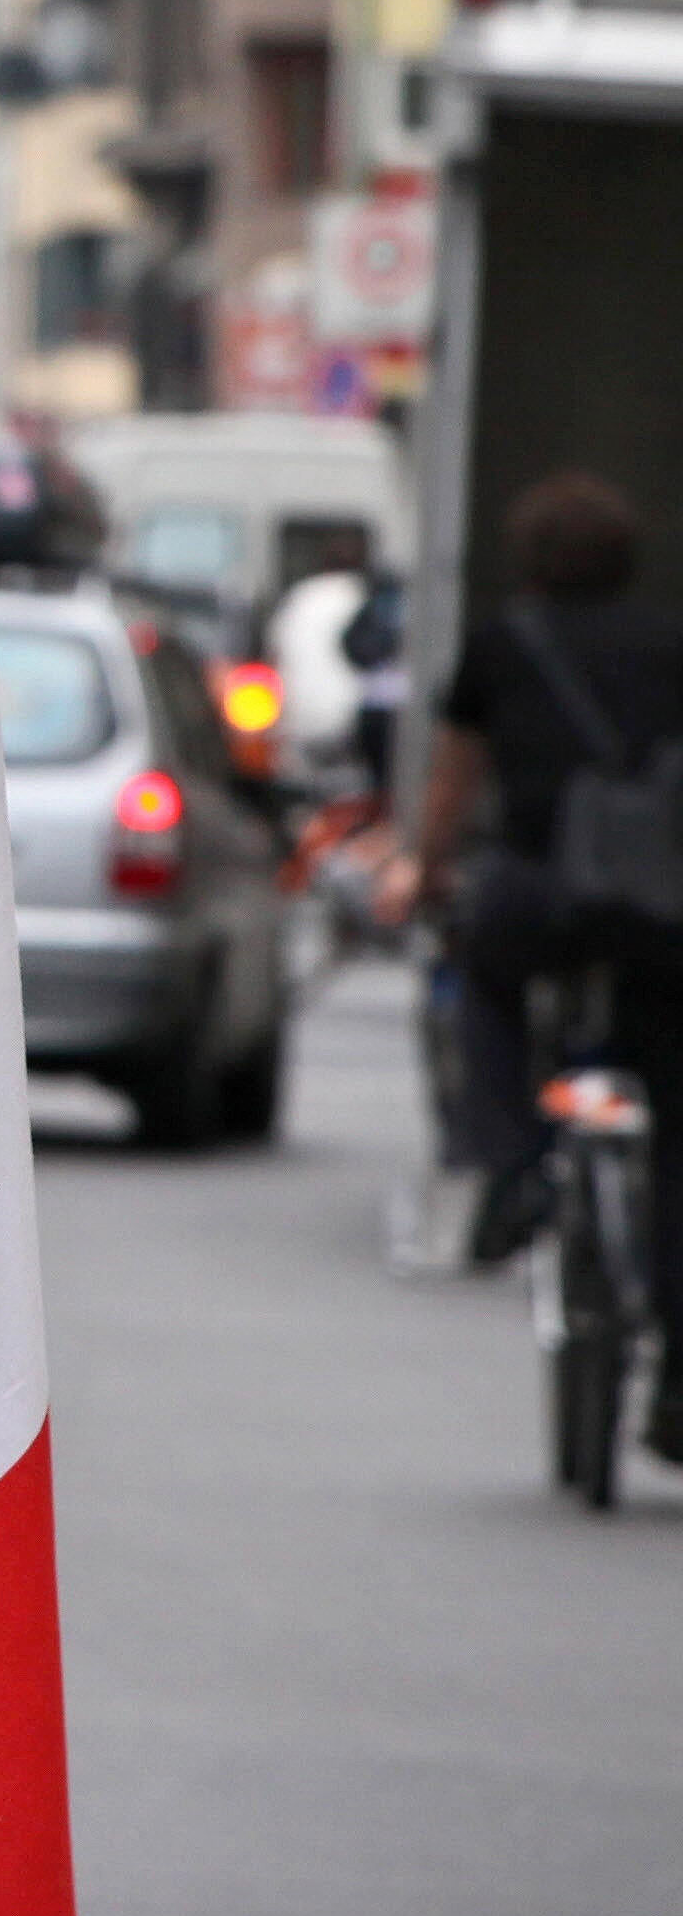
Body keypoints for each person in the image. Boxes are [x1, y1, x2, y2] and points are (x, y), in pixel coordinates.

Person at [401, 475, 683, 1392]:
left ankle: (513, 1158)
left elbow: (453, 782)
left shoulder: (501, 645)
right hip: (651, 908)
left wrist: (428, 870)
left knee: (483, 977)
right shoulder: (668, 644)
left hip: (533, 892)